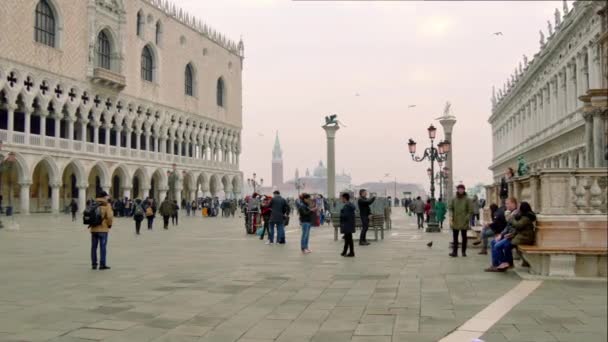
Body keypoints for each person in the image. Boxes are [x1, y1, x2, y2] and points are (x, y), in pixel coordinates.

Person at [486, 200, 535, 272]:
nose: (506, 205)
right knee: (495, 243)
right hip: (515, 236)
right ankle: (498, 264)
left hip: (520, 237)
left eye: (508, 203)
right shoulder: (518, 214)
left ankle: (504, 263)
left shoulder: (524, 217)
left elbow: (517, 226)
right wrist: (503, 234)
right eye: (506, 203)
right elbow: (510, 226)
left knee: (499, 245)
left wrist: (511, 218)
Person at [89, 191, 113, 270]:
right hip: (103, 229)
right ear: (104, 197)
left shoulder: (93, 203)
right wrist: (109, 224)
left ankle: (94, 264)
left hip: (94, 228)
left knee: (93, 247)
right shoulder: (107, 204)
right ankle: (102, 264)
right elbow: (109, 216)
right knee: (103, 247)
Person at [448, 184, 472, 257]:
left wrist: (467, 218)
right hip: (455, 220)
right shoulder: (453, 199)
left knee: (464, 237)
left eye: (462, 189)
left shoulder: (468, 199)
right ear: (457, 190)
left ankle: (463, 252)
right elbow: (450, 208)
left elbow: (470, 210)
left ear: (464, 190)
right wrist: (451, 215)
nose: (461, 190)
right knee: (455, 238)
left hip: (464, 221)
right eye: (459, 189)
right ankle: (454, 252)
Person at [340, 192, 356, 257]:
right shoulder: (350, 205)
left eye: (341, 198)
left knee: (349, 239)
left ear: (344, 198)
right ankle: (345, 251)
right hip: (350, 224)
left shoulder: (347, 206)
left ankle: (352, 252)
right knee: (347, 238)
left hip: (347, 224)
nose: (341, 200)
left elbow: (345, 216)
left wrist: (341, 213)